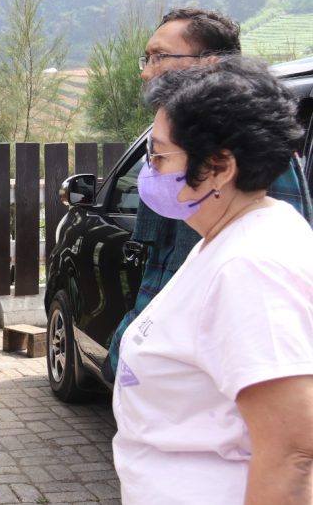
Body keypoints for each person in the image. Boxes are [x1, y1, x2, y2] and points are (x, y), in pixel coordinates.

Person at [113, 57, 313, 504]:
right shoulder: (225, 237)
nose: (151, 169)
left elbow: (292, 452)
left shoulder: (253, 266)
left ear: (220, 167)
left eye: (161, 155)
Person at [105, 8, 312, 380]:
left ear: (210, 64)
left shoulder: (255, 164)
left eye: (159, 57)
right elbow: (167, 272)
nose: (146, 70)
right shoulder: (187, 144)